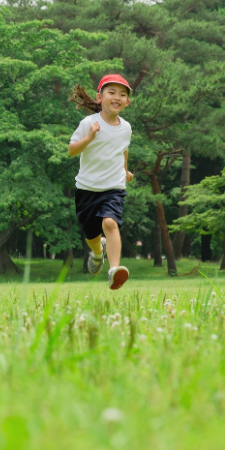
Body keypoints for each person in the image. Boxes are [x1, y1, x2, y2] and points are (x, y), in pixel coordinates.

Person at [68, 74, 134, 289]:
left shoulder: (126, 128)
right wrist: (89, 138)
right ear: (100, 97)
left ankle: (114, 270)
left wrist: (125, 171)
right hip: (87, 188)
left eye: (122, 95)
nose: (117, 97)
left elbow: (122, 150)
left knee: (110, 223)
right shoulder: (89, 123)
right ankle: (97, 252)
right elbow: (71, 150)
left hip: (113, 187)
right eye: (112, 92)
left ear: (127, 102)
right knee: (92, 235)